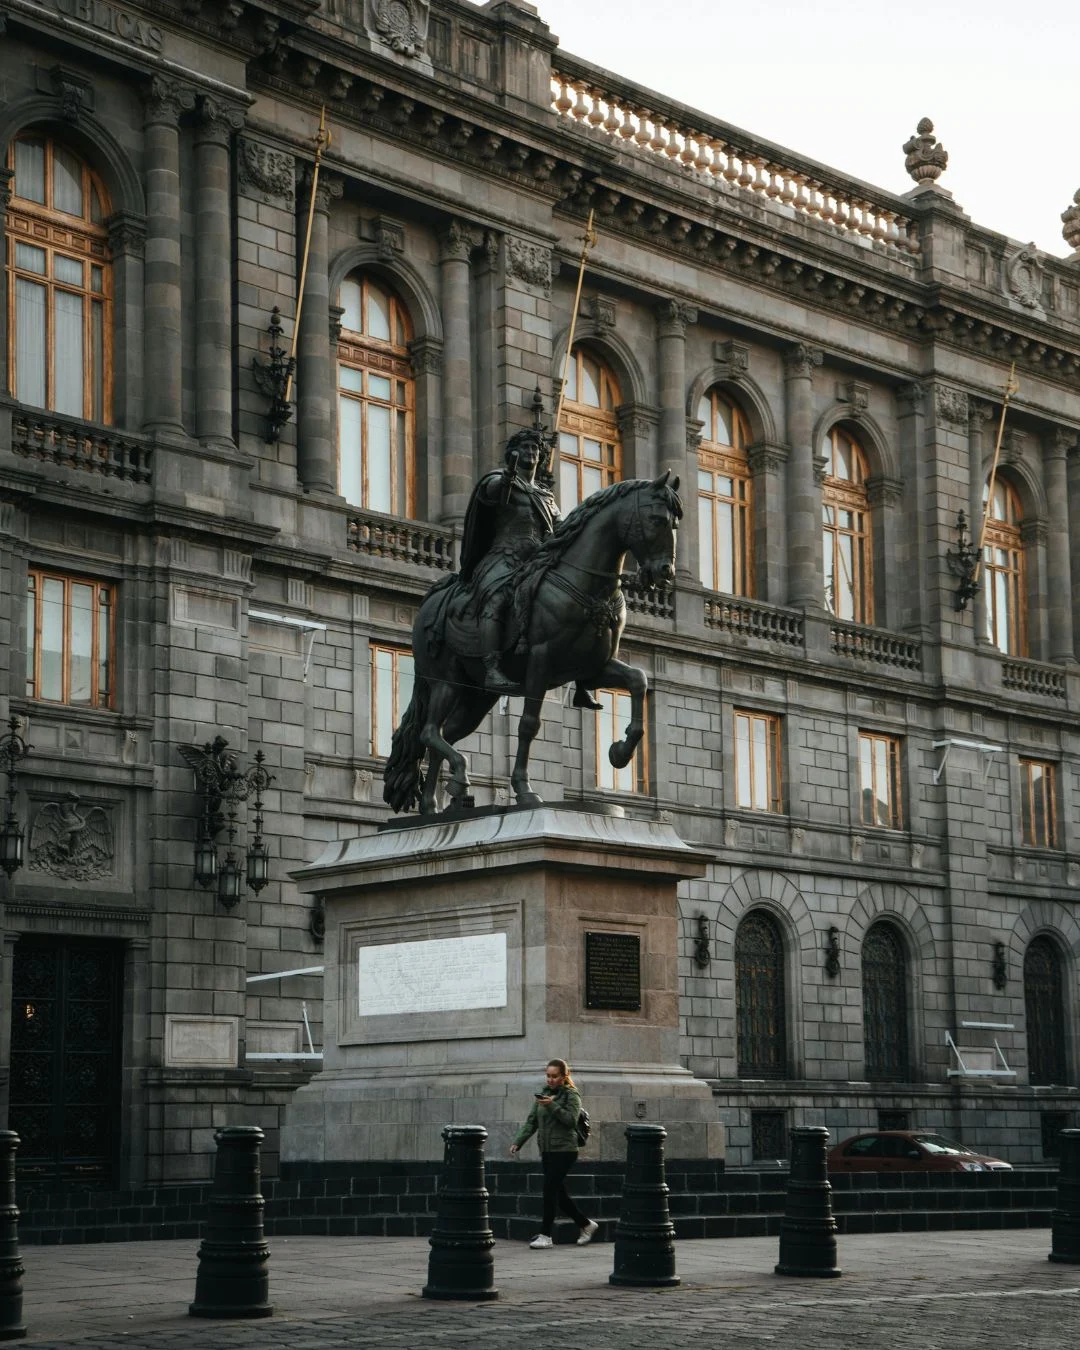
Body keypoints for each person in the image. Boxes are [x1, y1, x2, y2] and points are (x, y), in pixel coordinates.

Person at [459, 429, 601, 709]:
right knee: (496, 600)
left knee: (574, 606)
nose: (531, 453)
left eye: (535, 449)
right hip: (504, 556)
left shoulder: (546, 496)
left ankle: (584, 678)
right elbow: (491, 495)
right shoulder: (500, 480)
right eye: (525, 447)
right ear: (513, 451)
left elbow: (560, 529)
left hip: (537, 560)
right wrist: (509, 476)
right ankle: (492, 668)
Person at [509, 1058, 598, 1249]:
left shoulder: (571, 1095)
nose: (550, 1080)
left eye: (554, 1076)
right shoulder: (543, 1094)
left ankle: (546, 1235)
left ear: (564, 1077)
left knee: (549, 1191)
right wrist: (519, 1142)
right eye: (548, 1076)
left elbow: (570, 1120)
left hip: (565, 1151)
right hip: (548, 1151)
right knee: (558, 1194)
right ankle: (586, 1224)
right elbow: (532, 1121)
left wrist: (552, 1105)